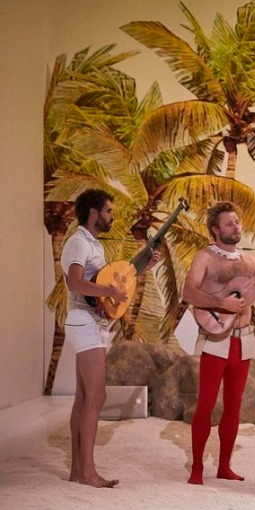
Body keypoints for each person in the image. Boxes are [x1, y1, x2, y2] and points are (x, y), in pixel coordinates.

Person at [182, 201, 255, 485]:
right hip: (216, 339)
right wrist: (221, 303)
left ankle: (224, 466)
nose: (236, 227)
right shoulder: (205, 257)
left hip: (244, 340)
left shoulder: (250, 263)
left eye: (237, 222)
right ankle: (196, 469)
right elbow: (188, 293)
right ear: (216, 229)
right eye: (229, 223)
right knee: (206, 404)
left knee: (234, 405)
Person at [61, 188, 161, 487]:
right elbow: (75, 283)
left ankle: (78, 471)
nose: (112, 216)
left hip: (91, 322)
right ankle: (89, 472)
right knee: (97, 396)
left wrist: (142, 270)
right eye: (108, 211)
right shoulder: (79, 243)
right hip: (84, 323)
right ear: (93, 212)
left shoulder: (93, 245)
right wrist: (109, 291)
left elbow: (106, 285)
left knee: (83, 398)